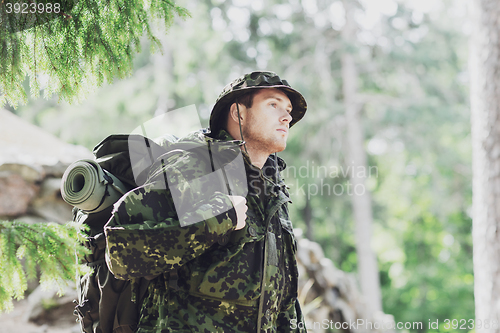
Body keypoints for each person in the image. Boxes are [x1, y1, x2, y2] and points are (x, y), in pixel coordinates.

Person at [104, 71, 308, 332]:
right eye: (273, 105)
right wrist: (218, 219)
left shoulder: (272, 191)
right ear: (238, 113)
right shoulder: (192, 167)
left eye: (289, 110)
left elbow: (282, 299)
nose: (286, 117)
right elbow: (122, 255)